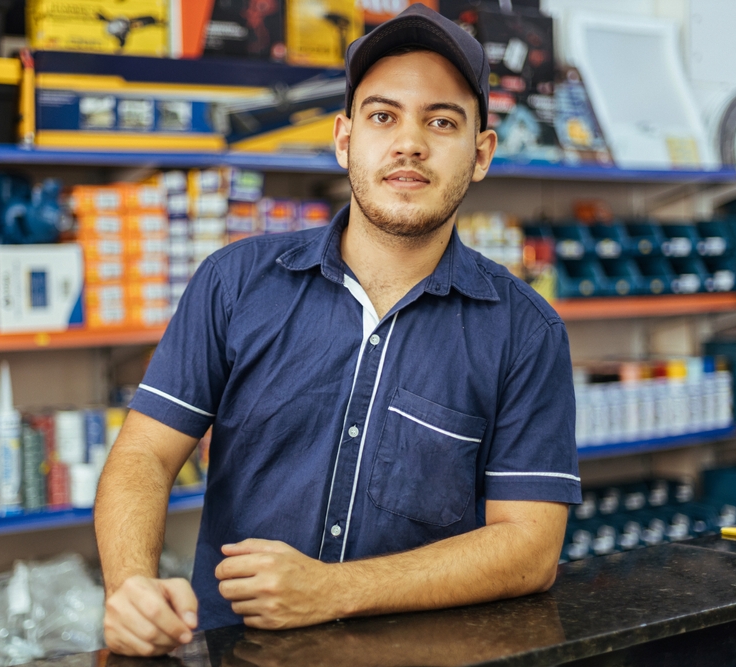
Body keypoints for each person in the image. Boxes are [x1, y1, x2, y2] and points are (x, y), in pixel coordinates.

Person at [95, 4, 580, 657]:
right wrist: (129, 583)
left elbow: (530, 549)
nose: (409, 142)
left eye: (441, 121)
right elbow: (144, 454)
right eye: (383, 116)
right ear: (345, 138)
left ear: (482, 152)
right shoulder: (235, 284)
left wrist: (333, 589)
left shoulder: (525, 331)